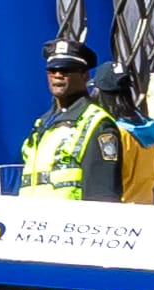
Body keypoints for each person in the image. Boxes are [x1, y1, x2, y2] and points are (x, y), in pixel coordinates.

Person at [18, 38, 121, 203]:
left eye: (67, 69)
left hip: (69, 218)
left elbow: (102, 193)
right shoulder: (42, 124)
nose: (58, 75)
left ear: (84, 75)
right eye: (52, 70)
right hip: (32, 217)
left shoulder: (97, 123)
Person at [89, 61, 154, 204]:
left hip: (116, 210)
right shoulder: (146, 130)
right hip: (144, 207)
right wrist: (147, 178)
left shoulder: (110, 134)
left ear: (99, 93)